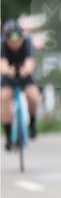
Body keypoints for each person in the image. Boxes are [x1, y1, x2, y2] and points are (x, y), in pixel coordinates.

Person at [1, 19, 41, 150]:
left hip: (25, 75)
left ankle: (32, 123)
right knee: (4, 98)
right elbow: (2, 64)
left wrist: (26, 70)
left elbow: (30, 62)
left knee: (34, 97)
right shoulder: (2, 45)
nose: (15, 43)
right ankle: (8, 135)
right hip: (9, 76)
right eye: (11, 40)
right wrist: (8, 71)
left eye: (18, 39)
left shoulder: (28, 43)